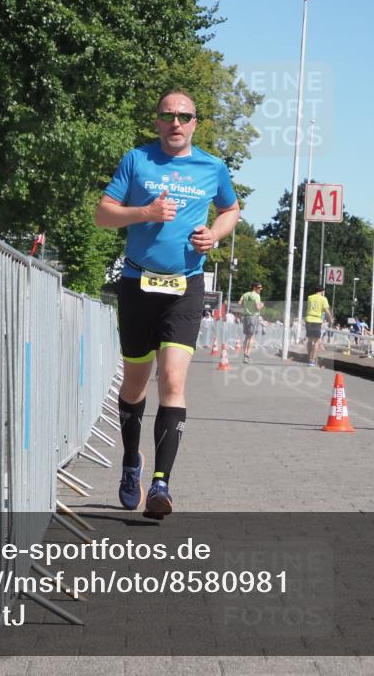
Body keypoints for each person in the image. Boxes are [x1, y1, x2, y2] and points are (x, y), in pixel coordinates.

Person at [94, 88, 240, 517]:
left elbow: (231, 210)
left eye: (184, 116)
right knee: (136, 383)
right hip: (138, 282)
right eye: (168, 115)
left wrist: (215, 233)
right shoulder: (136, 160)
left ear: (196, 123)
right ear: (157, 121)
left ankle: (161, 484)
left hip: (185, 286)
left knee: (172, 382)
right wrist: (145, 213)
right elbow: (103, 215)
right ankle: (130, 462)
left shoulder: (212, 166)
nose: (176, 122)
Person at [237, 280, 264, 363]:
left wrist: (247, 306)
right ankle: (247, 355)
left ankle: (245, 354)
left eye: (261, 288)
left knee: (247, 336)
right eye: (259, 288)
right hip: (253, 316)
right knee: (252, 337)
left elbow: (239, 303)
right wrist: (262, 305)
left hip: (246, 316)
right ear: (254, 287)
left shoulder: (245, 294)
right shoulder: (256, 295)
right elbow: (257, 307)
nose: (260, 289)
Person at [304, 285, 331, 366]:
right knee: (317, 341)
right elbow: (326, 310)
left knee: (309, 340)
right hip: (317, 320)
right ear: (322, 291)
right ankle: (312, 360)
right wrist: (330, 319)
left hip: (308, 319)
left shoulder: (310, 297)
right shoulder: (323, 299)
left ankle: (309, 357)